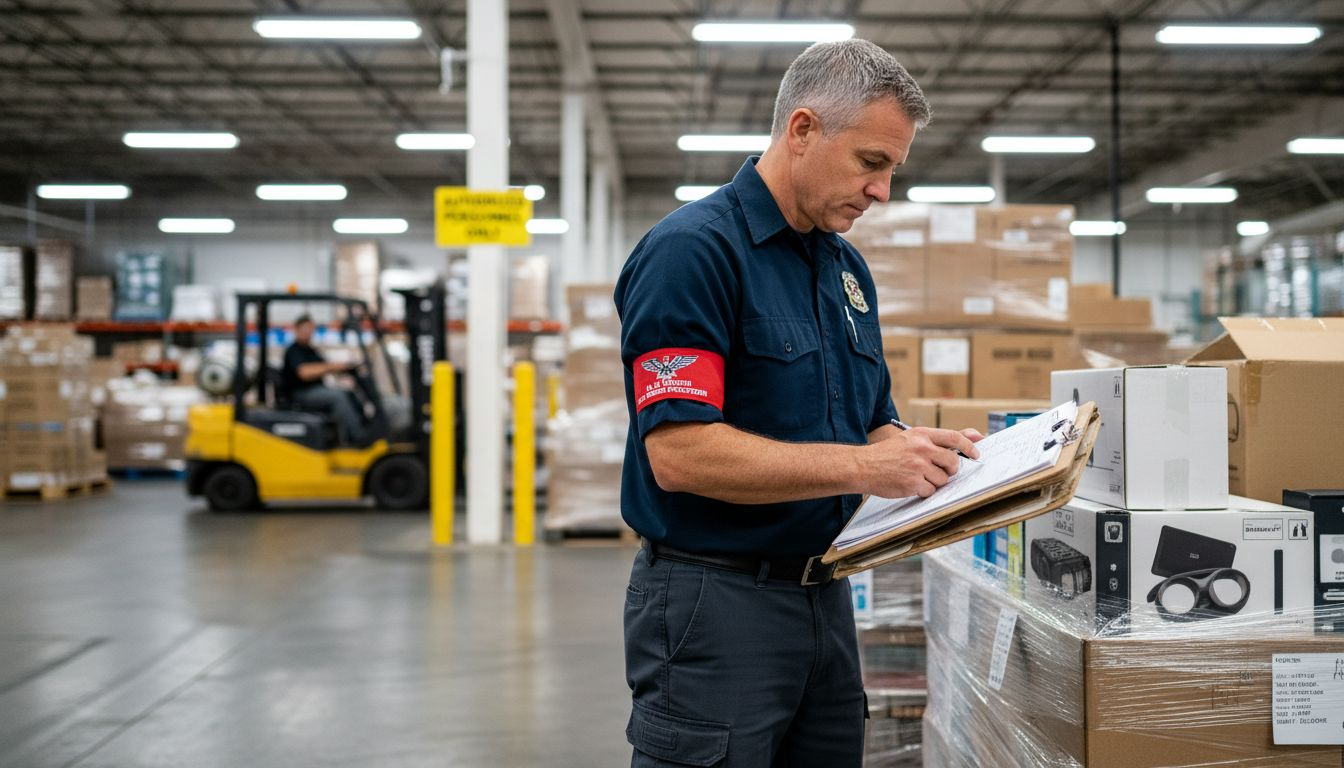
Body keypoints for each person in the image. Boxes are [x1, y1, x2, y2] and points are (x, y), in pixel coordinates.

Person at [614, 39, 984, 767]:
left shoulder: (844, 269)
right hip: (714, 605)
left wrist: (932, 460)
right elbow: (679, 454)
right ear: (804, 130)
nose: (882, 191)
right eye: (871, 163)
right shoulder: (693, 252)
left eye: (893, 171)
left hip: (825, 597)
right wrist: (866, 467)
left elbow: (871, 422)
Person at [282, 314, 369, 446]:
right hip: (301, 393)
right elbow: (304, 372)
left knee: (348, 393)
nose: (309, 333)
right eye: (305, 329)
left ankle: (359, 429)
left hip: (314, 390)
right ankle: (358, 437)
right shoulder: (294, 351)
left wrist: (343, 368)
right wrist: (332, 366)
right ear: (297, 329)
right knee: (338, 397)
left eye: (311, 330)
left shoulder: (310, 350)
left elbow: (324, 366)